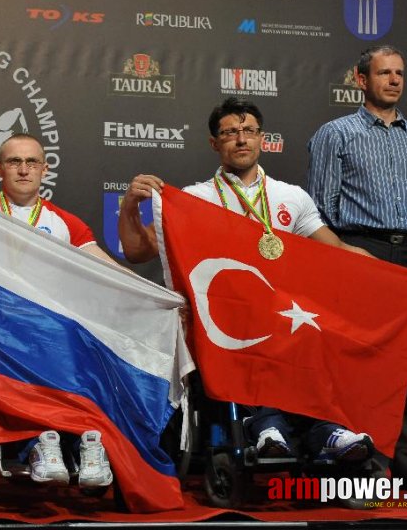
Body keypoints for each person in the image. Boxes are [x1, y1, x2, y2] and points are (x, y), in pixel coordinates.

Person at [118, 97, 386, 463]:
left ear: (263, 138)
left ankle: (324, 429)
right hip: (223, 318)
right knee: (257, 327)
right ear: (215, 144)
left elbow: (337, 249)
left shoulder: (292, 197)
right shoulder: (197, 199)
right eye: (230, 132)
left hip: (283, 315)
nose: (241, 139)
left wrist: (405, 280)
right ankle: (266, 425)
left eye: (248, 131)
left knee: (311, 327)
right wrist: (130, 206)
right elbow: (138, 251)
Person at [307, 45, 407, 480]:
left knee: (406, 359)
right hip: (358, 248)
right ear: (361, 79)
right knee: (359, 360)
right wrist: (345, 253)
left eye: (399, 73)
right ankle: (363, 457)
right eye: (384, 72)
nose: (394, 80)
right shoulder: (337, 133)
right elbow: (320, 206)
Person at [0, 133, 117, 489]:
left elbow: (105, 268)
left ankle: (87, 442)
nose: (23, 169)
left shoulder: (66, 223)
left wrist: (158, 296)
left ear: (45, 169)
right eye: (14, 162)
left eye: (31, 162)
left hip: (50, 329)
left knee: (88, 349)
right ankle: (39, 443)